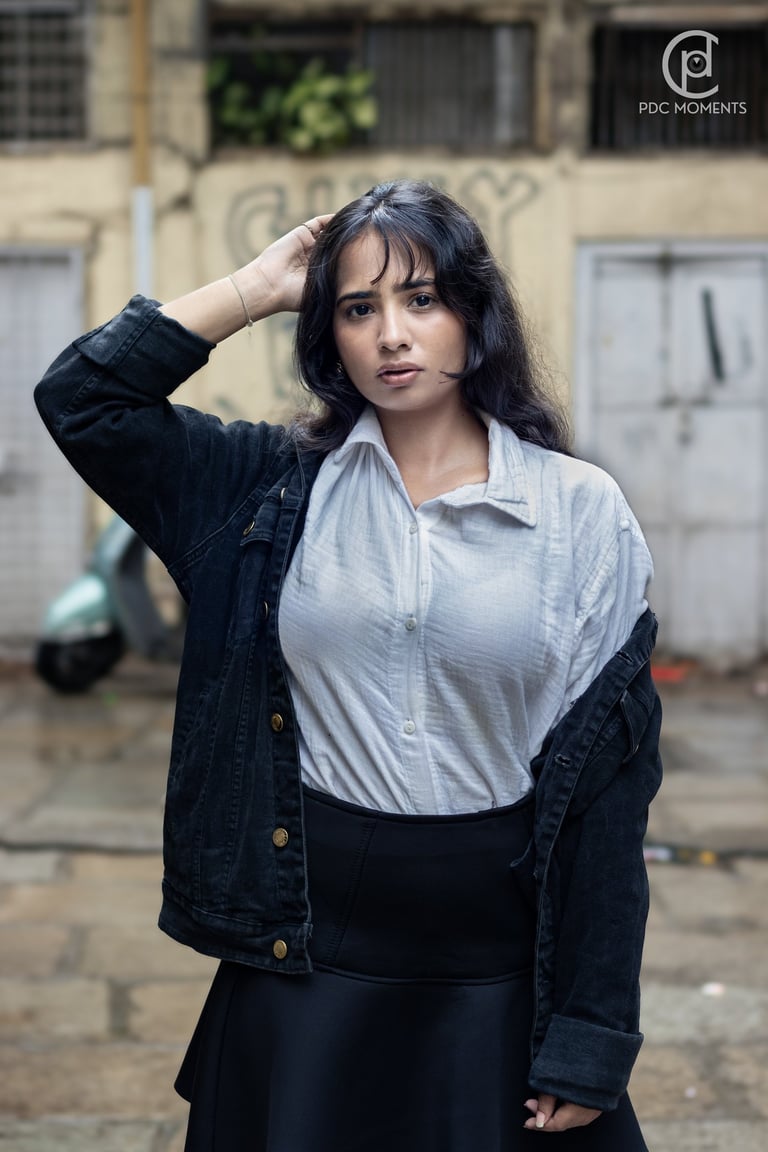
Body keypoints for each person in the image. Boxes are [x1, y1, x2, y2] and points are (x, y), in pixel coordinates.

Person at [35, 179, 662, 1151]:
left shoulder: (579, 513)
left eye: (420, 298)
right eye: (357, 308)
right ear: (330, 336)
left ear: (474, 313)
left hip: (494, 961)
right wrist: (255, 286)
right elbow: (84, 398)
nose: (392, 334)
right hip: (308, 956)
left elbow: (612, 800)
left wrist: (592, 1030)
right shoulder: (261, 490)